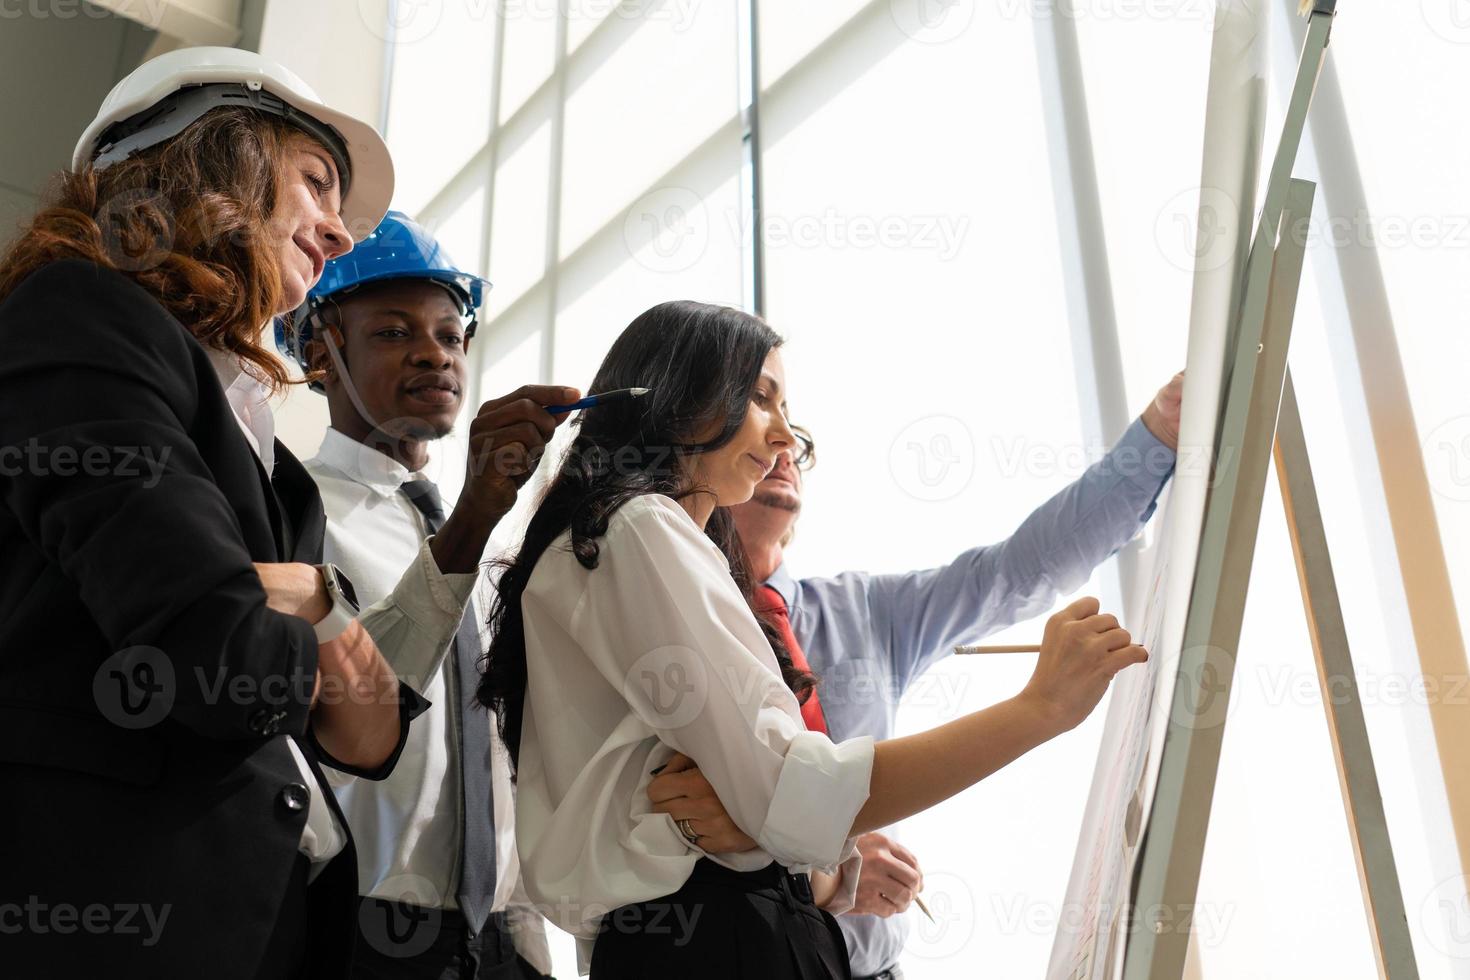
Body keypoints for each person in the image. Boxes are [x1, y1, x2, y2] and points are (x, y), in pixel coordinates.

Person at [476, 301, 1148, 979]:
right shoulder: (640, 529)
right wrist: (1040, 710)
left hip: (697, 935)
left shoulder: (616, 542)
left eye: (787, 414)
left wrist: (772, 832)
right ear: (682, 395)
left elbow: (762, 804)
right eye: (761, 398)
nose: (784, 441)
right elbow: (788, 792)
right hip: (725, 940)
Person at [0, 47, 423, 980]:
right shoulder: (79, 316)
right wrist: (312, 626)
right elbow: (214, 657)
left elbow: (376, 735)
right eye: (316, 183)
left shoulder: (278, 470)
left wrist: (304, 599)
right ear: (216, 153)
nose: (340, 232)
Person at [693, 374, 1182, 980]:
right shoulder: (673, 623)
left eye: (796, 437)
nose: (784, 447)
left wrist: (1155, 439)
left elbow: (1015, 571)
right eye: (757, 425)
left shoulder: (868, 611)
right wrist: (828, 875)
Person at [289, 210, 575, 978]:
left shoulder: (479, 533)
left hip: (501, 935)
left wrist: (529, 936)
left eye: (451, 335)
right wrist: (478, 517)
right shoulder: (292, 509)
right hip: (362, 927)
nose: (433, 355)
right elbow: (346, 716)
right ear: (322, 353)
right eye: (392, 333)